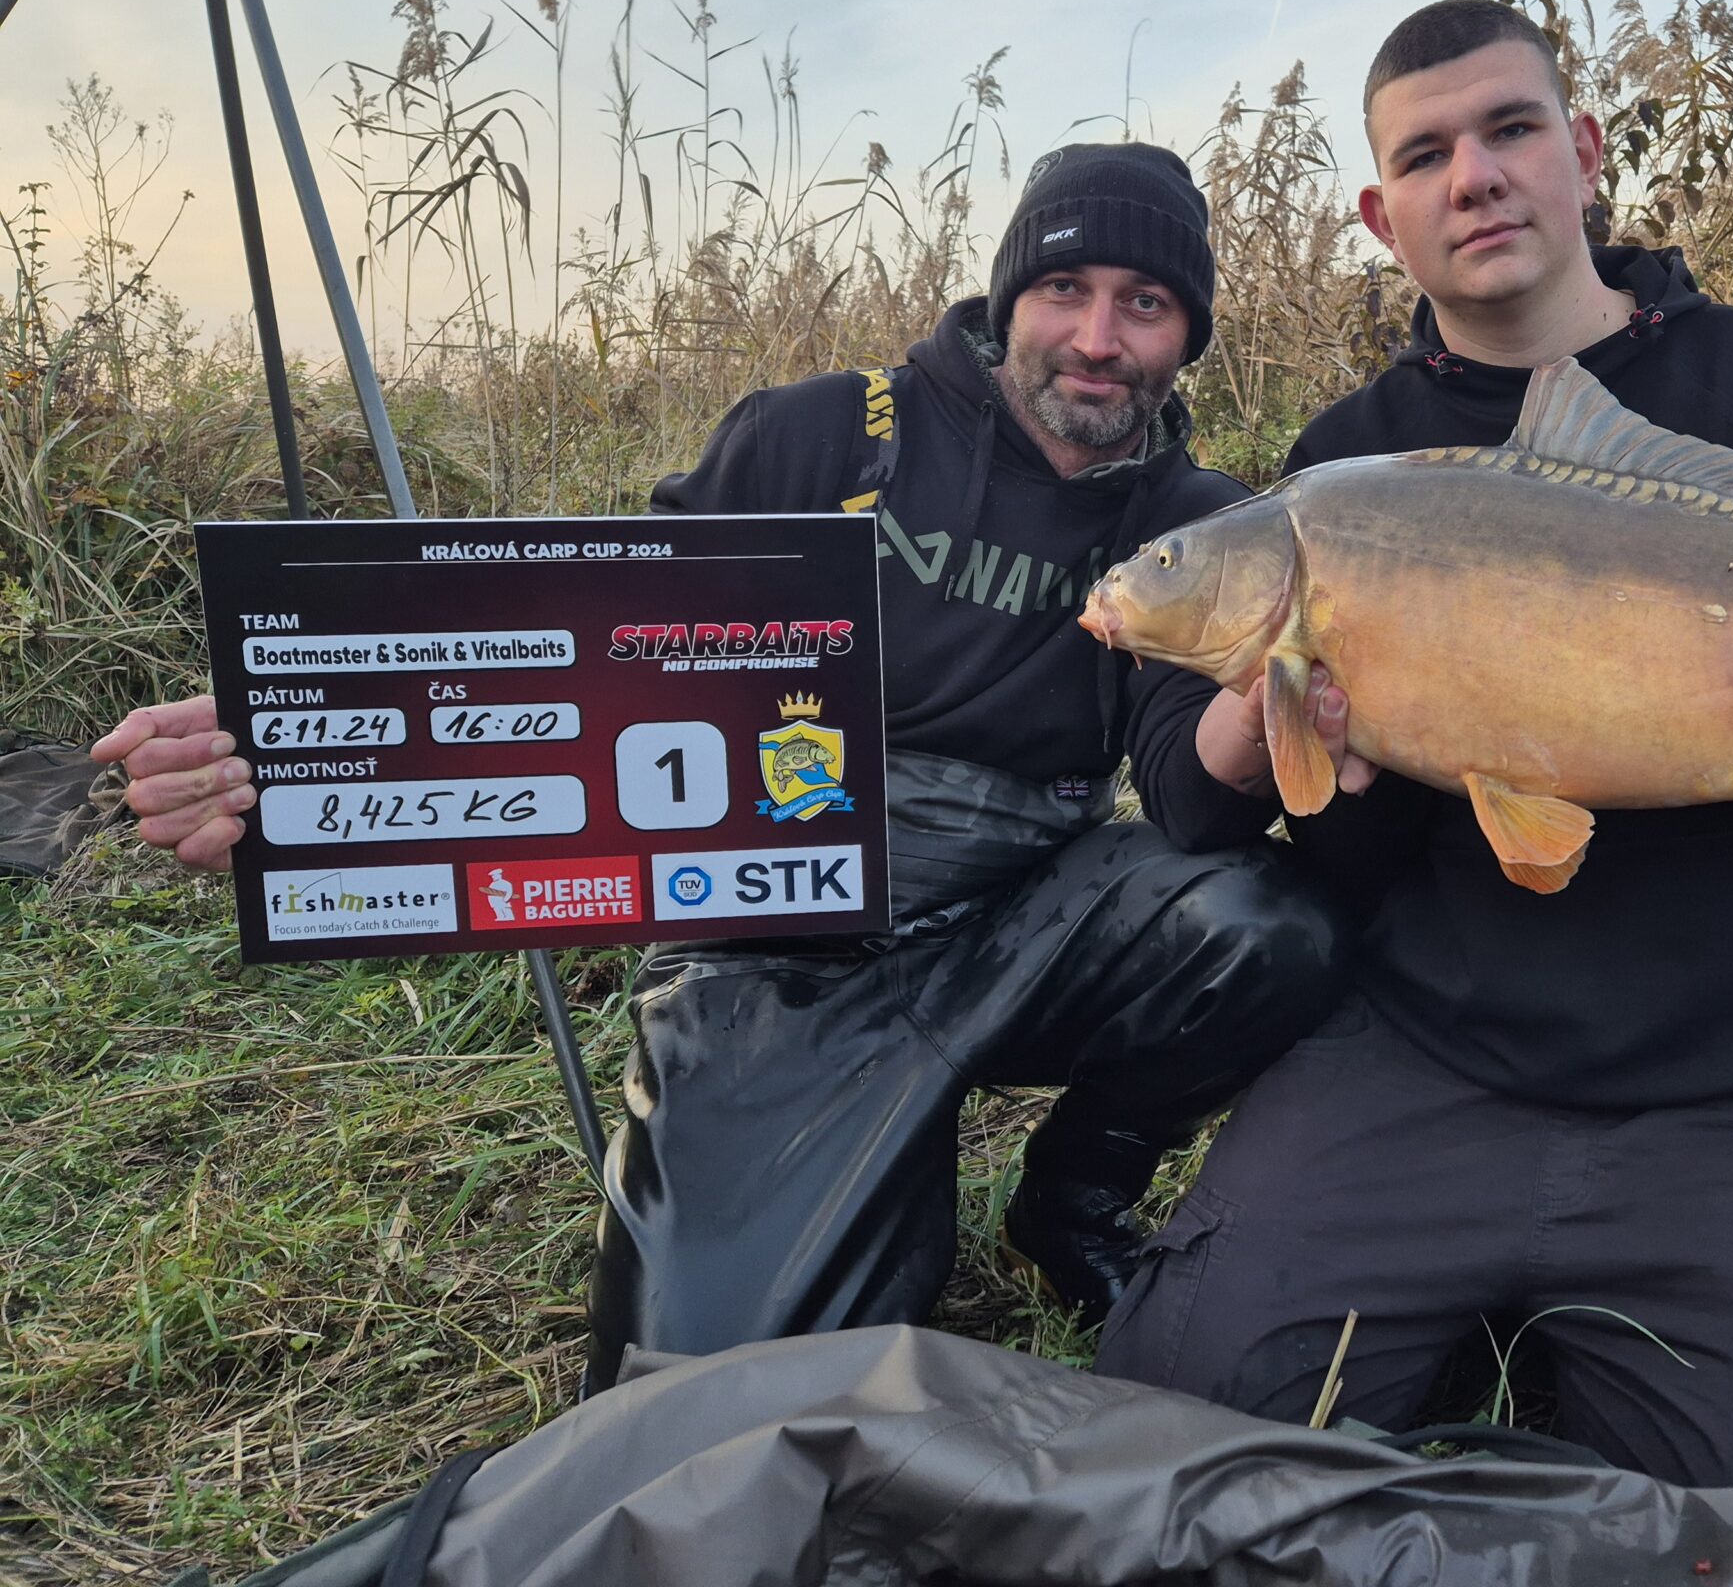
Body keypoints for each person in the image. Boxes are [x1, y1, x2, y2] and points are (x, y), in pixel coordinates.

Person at [95, 142, 1346, 1393]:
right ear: (1010, 296)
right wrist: (293, 732)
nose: (1097, 338)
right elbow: (585, 655)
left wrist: (1271, 698)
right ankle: (843, 1145)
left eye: (1145, 304)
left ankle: (1070, 1201)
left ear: (1187, 336)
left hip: (1026, 915)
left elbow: (1189, 800)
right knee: (694, 1386)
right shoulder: (816, 434)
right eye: (1066, 290)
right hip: (769, 936)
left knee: (1264, 925)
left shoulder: (1201, 525)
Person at [1096, 1, 1733, 1543]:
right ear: (1385, 216)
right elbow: (1240, 808)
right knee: (1176, 1435)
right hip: (1423, 1061)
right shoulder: (1352, 461)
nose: (1474, 176)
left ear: (1583, 152)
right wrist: (1316, 744)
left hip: (1721, 1084)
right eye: (1426, 155)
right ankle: (1456, 1294)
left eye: (1509, 130)